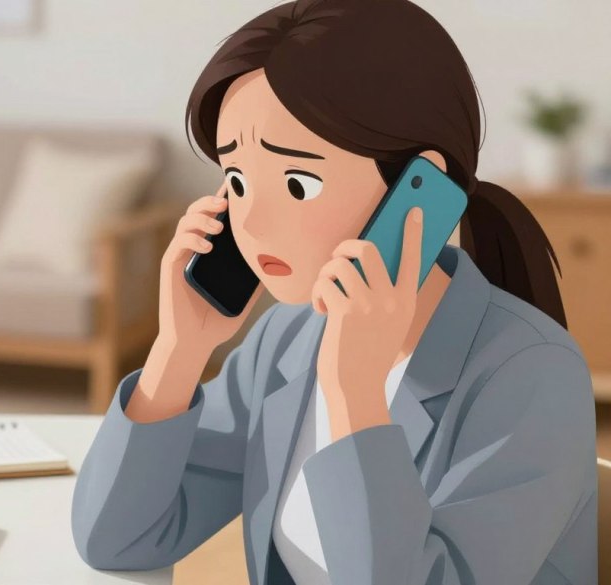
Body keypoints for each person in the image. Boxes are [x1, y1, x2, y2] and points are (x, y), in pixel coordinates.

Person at [70, 1, 597, 583]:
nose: (251, 223)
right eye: (237, 180)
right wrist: (178, 350)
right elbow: (117, 539)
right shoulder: (288, 337)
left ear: (419, 192)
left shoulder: (533, 374)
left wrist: (354, 395)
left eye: (299, 183)